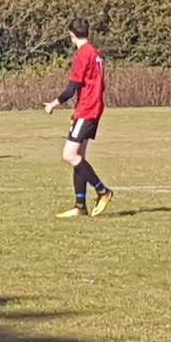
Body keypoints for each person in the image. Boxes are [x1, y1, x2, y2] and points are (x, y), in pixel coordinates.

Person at [43, 18, 114, 218]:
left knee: (69, 155)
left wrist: (53, 104)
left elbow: (72, 88)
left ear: (71, 34)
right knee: (78, 157)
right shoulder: (96, 53)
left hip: (87, 109)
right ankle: (80, 205)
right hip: (92, 108)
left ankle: (103, 191)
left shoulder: (83, 54)